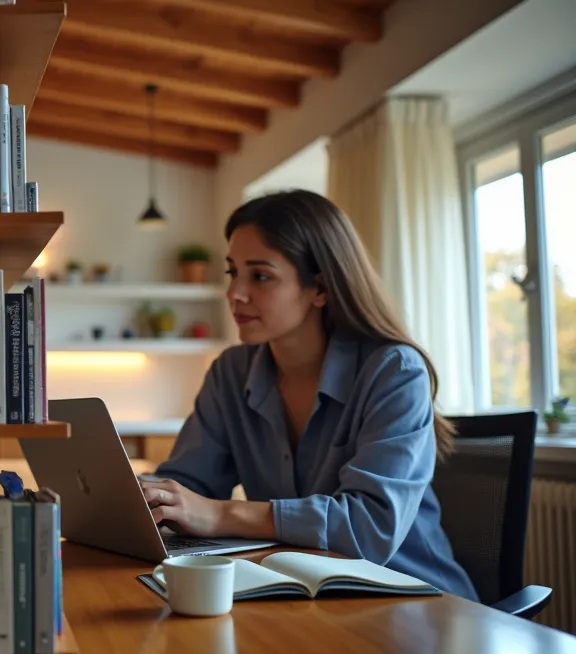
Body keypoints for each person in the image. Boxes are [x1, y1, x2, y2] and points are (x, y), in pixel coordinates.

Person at [146, 189, 477, 600]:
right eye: (233, 273)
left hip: (416, 600)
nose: (235, 293)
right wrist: (148, 498)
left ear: (319, 287)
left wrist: (220, 514)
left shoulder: (394, 371)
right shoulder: (231, 372)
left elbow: (368, 528)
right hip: (297, 596)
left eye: (260, 276)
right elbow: (189, 482)